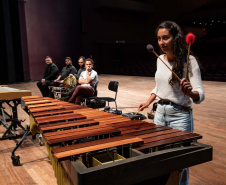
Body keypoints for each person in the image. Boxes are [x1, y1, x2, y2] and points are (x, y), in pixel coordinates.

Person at [138, 21, 205, 185]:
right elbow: (159, 86)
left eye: (166, 38)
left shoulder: (189, 61)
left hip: (180, 116)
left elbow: (200, 94)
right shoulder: (159, 59)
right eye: (159, 38)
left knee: (180, 163)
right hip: (159, 114)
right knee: (158, 158)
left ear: (176, 38)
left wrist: (190, 93)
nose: (161, 42)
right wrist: (148, 101)